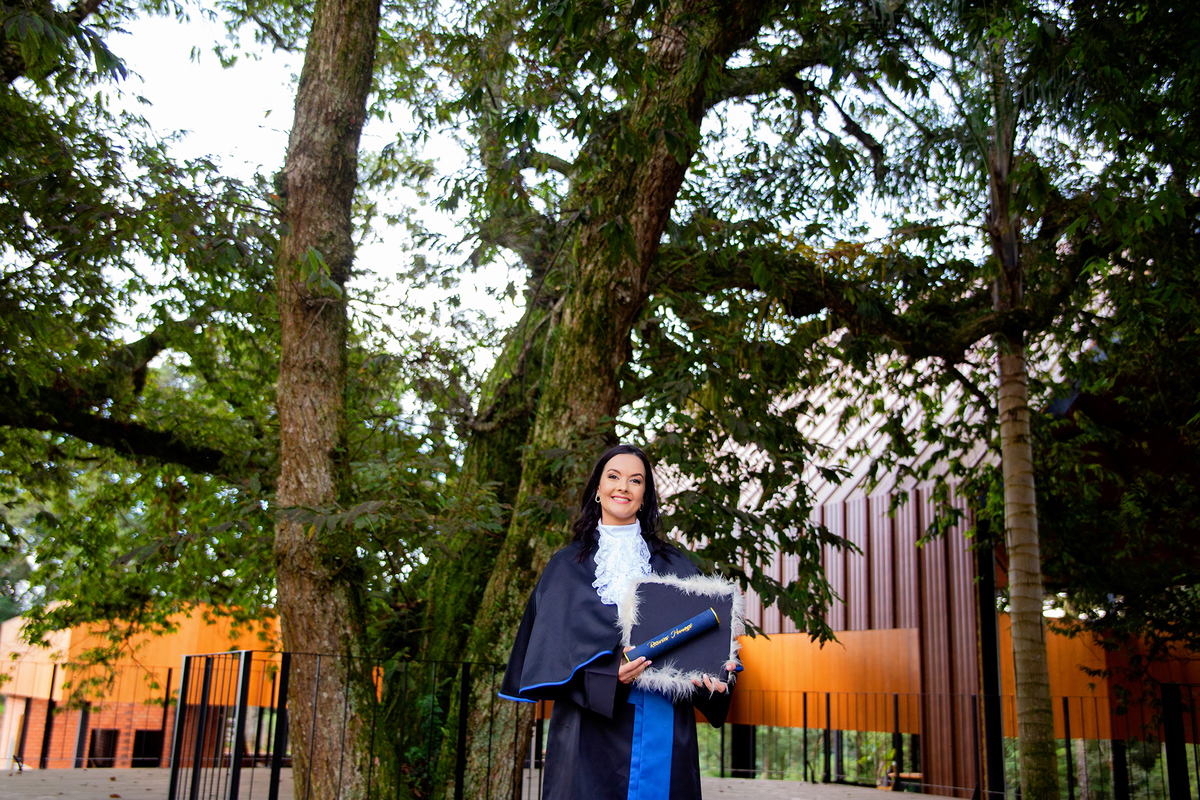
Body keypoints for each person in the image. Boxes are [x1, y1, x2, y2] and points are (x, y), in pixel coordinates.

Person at [499, 443, 737, 800]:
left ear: (645, 495)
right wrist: (612, 673)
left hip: (665, 730)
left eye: (635, 480)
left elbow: (705, 645)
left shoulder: (677, 566)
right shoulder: (566, 568)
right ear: (598, 488)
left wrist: (719, 677)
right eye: (614, 476)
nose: (623, 486)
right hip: (589, 736)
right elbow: (548, 658)